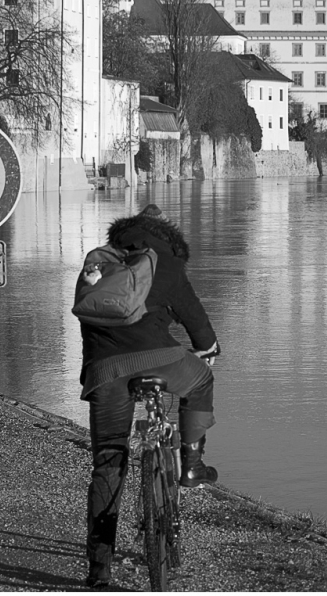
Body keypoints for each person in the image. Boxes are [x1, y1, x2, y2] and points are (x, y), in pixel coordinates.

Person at [78, 204, 220, 589]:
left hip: (104, 371)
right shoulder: (168, 265)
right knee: (201, 380)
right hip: (159, 358)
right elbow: (200, 329)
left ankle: (99, 568)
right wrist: (208, 347)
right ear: (165, 238)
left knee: (108, 462)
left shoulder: (98, 264)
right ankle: (191, 464)